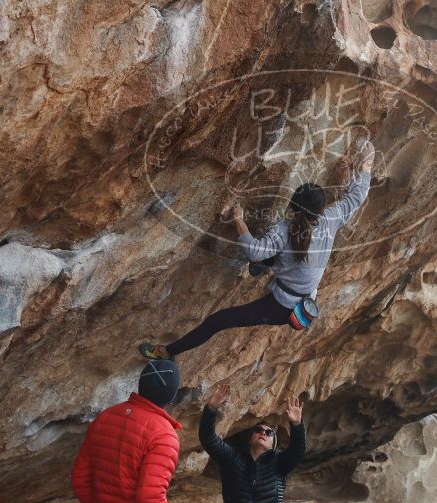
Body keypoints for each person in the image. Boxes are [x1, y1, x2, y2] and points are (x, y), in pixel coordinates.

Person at [138, 138, 376, 360]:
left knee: (218, 321)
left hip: (283, 307)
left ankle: (166, 352)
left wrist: (239, 220)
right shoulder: (331, 219)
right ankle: (262, 268)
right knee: (268, 259)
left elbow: (255, 250)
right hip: (302, 288)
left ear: (294, 205)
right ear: (321, 209)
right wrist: (367, 164)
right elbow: (357, 197)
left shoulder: (285, 231)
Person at [71, 360, 183, 503]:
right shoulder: (164, 435)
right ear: (171, 397)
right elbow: (150, 497)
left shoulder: (105, 417)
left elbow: (79, 479)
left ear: (141, 384)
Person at [199, 384, 305, 503]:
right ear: (250, 439)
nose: (263, 433)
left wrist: (297, 424)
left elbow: (297, 451)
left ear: (273, 445)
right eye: (258, 430)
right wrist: (211, 409)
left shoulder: (279, 463)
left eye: (269, 433)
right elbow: (208, 439)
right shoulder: (233, 458)